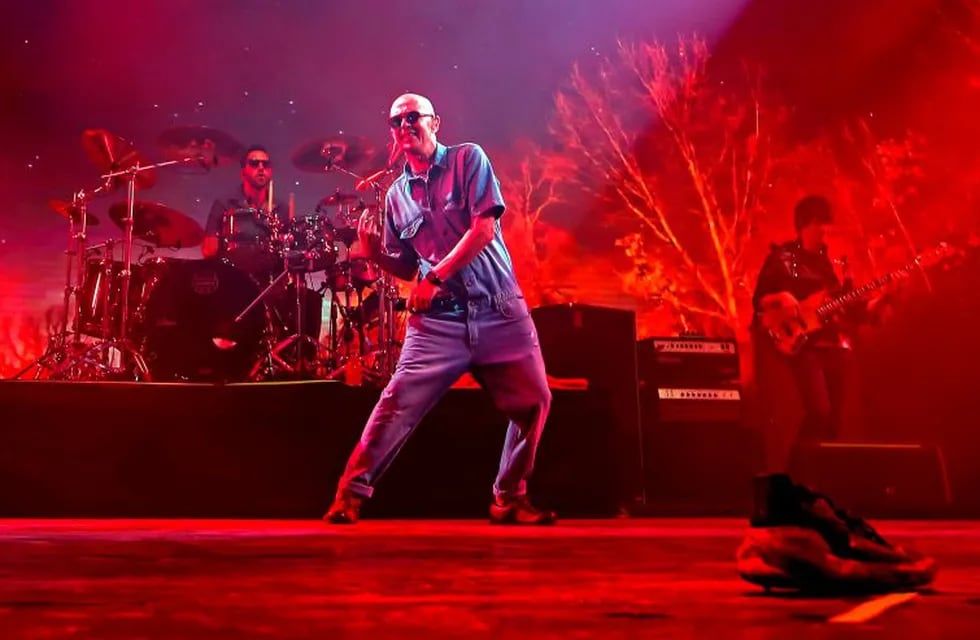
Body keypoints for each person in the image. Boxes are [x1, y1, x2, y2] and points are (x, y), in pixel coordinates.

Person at [324, 92, 555, 525]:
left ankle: (508, 497)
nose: (405, 126)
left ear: (435, 123)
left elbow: (484, 229)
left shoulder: (468, 160)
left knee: (534, 402)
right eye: (396, 122)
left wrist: (434, 278)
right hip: (438, 324)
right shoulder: (396, 197)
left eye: (414, 117)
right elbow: (408, 266)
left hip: (498, 309)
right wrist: (376, 256)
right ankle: (348, 495)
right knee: (395, 404)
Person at [751, 195, 895, 470]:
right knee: (819, 411)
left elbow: (847, 307)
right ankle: (794, 475)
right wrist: (783, 296)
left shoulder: (829, 264)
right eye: (820, 224)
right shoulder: (784, 258)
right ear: (805, 225)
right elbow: (760, 300)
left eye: (827, 225)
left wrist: (879, 301)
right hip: (804, 345)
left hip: (835, 345)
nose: (825, 231)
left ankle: (820, 479)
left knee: (834, 421)